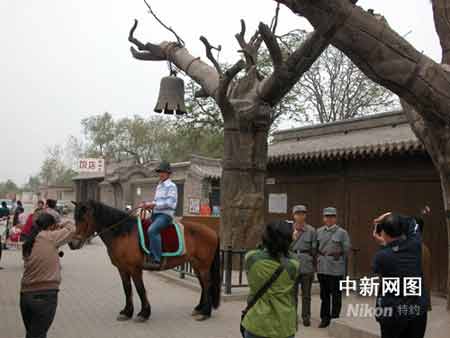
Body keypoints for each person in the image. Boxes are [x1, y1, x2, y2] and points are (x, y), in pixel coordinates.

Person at [372, 212, 428, 338]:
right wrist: (392, 215)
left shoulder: (382, 256)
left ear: (384, 234)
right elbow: (413, 223)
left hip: (394, 314)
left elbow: (376, 268)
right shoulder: (415, 245)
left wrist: (384, 244)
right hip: (417, 312)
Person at [20, 213, 75, 338]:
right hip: (45, 295)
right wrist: (61, 221)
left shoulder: (29, 241)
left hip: (25, 295)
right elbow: (72, 229)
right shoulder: (49, 237)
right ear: (51, 226)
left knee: (33, 333)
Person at [241, 221, 300, 338]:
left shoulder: (251, 258)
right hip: (284, 325)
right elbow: (290, 255)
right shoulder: (293, 264)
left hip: (256, 322)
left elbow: (259, 249)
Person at [316, 207, 351, 328]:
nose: (329, 219)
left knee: (336, 295)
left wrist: (337, 254)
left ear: (335, 218)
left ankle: (335, 318)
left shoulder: (342, 233)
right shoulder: (319, 231)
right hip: (322, 267)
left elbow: (346, 249)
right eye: (327, 216)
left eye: (331, 216)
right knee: (324, 295)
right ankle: (324, 318)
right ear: (323, 218)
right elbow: (316, 247)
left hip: (335, 268)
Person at [140, 161, 178, 270]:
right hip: (155, 214)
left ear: (168, 173)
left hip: (165, 216)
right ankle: (145, 254)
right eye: (159, 172)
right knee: (142, 226)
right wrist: (147, 204)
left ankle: (156, 259)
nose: (161, 174)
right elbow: (156, 202)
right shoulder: (159, 186)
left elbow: (171, 203)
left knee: (152, 230)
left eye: (163, 172)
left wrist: (153, 204)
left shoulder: (172, 186)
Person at [290, 204, 317, 327]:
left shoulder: (311, 230)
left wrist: (314, 267)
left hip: (307, 266)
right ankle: (292, 316)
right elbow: (285, 247)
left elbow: (314, 249)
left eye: (302, 214)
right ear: (294, 215)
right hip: (293, 265)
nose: (300, 216)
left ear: (305, 215)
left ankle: (306, 317)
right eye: (298, 214)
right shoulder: (289, 229)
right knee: (292, 294)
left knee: (306, 295)